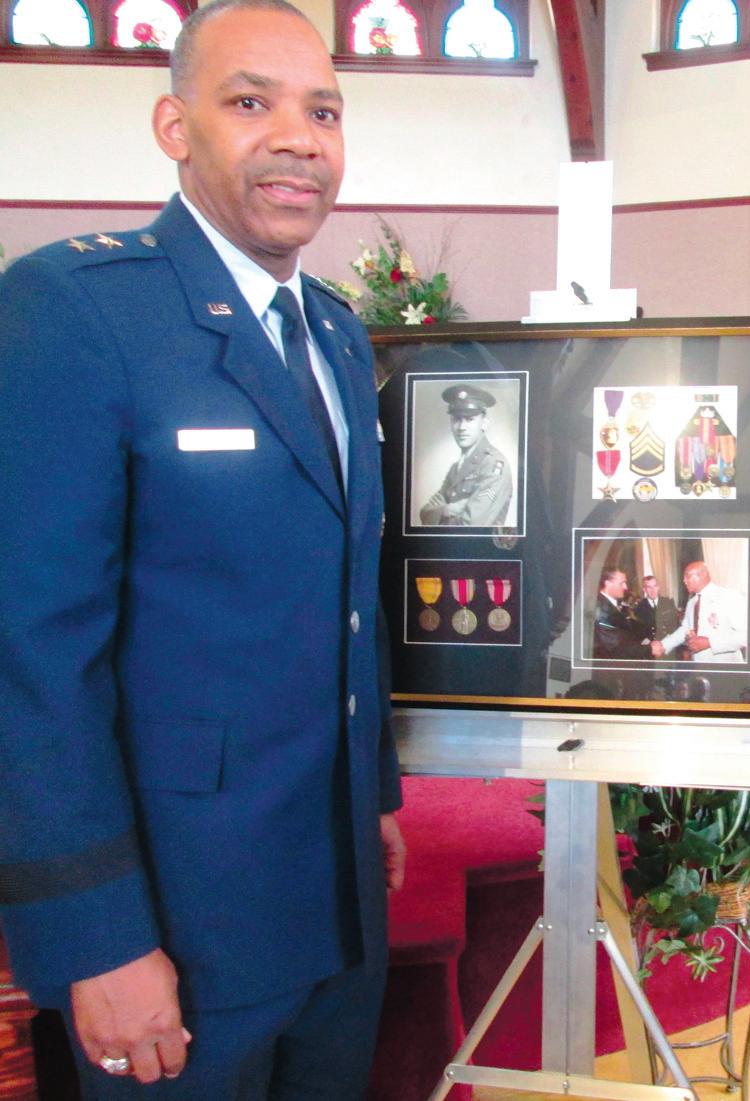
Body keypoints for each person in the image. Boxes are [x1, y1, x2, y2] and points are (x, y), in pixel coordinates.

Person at [0, 1, 406, 1096]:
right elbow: (30, 657)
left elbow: (348, 596)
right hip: (179, 930)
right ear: (174, 127)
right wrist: (96, 935)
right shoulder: (77, 311)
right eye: (250, 102)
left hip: (336, 904)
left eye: (323, 111)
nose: (298, 139)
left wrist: (372, 795)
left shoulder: (335, 330)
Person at [419, 383, 513, 526]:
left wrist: (440, 516)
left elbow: (472, 524)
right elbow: (425, 514)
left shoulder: (494, 465)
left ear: (484, 423)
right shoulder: (456, 468)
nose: (462, 427)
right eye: (457, 419)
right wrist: (448, 509)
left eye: (470, 419)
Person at [652, 561, 745, 663]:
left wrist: (710, 643)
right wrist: (664, 645)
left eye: (687, 576)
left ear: (702, 575)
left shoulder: (729, 597)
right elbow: (685, 629)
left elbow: (746, 636)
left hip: (725, 666)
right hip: (699, 665)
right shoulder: (692, 602)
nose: (684, 580)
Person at [592, 568, 652, 661]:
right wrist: (649, 649)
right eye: (622, 583)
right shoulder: (600, 609)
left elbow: (628, 630)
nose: (626, 587)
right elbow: (615, 648)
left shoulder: (615, 604)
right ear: (608, 584)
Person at [632, 574, 682, 642]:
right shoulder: (639, 608)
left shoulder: (668, 603)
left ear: (658, 587)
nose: (653, 590)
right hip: (653, 644)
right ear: (644, 589)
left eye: (655, 586)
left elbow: (677, 625)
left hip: (671, 641)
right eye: (649, 587)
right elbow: (639, 632)